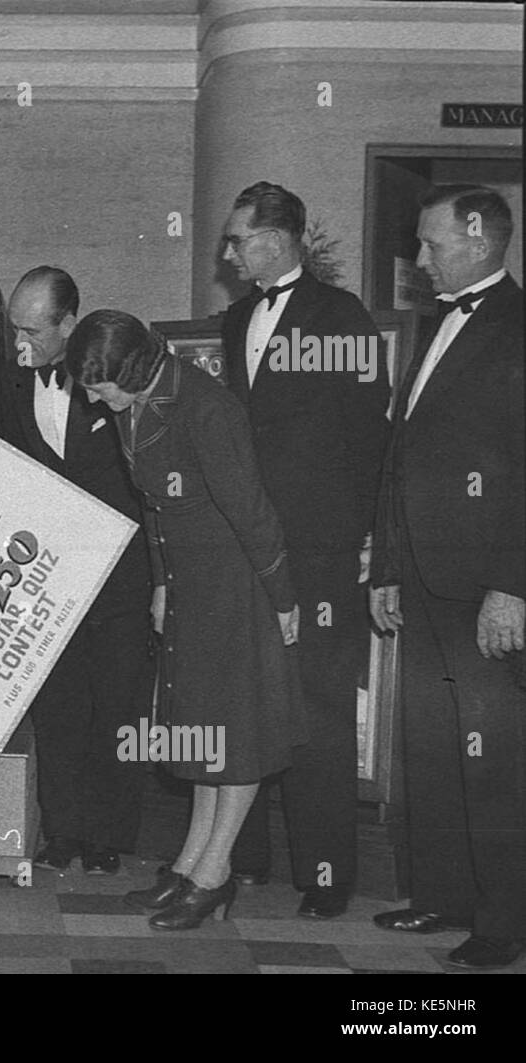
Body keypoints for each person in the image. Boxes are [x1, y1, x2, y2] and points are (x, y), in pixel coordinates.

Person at [66, 309, 303, 929]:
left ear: (134, 369)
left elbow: (251, 509)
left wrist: (283, 598)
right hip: (192, 585)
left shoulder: (205, 407)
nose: (91, 398)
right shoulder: (135, 406)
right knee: (202, 727)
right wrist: (163, 583)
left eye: (98, 386)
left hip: (234, 585)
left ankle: (215, 871)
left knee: (235, 731)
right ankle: (192, 860)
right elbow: (154, 508)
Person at [220, 181, 390, 919]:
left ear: (279, 239)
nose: (228, 253)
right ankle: (247, 855)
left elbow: (370, 437)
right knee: (248, 699)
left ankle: (325, 874)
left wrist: (368, 540)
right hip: (251, 546)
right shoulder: (235, 321)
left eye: (237, 239)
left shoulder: (342, 316)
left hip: (321, 549)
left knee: (319, 710)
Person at [370, 185, 525, 969]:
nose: (419, 259)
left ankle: (499, 923)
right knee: (431, 747)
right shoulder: (438, 326)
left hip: (485, 589)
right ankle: (440, 895)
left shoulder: (518, 329)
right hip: (423, 577)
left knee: (491, 756)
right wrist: (388, 567)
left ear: (477, 234)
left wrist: (513, 583)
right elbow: (402, 459)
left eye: (431, 244)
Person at [0, 268, 153, 874]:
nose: (19, 345)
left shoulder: (114, 374)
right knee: (58, 706)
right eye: (15, 330)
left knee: (118, 705)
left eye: (32, 330)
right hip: (48, 578)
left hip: (120, 576)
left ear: (69, 324)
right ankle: (62, 831)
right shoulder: (11, 382)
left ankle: (109, 834)